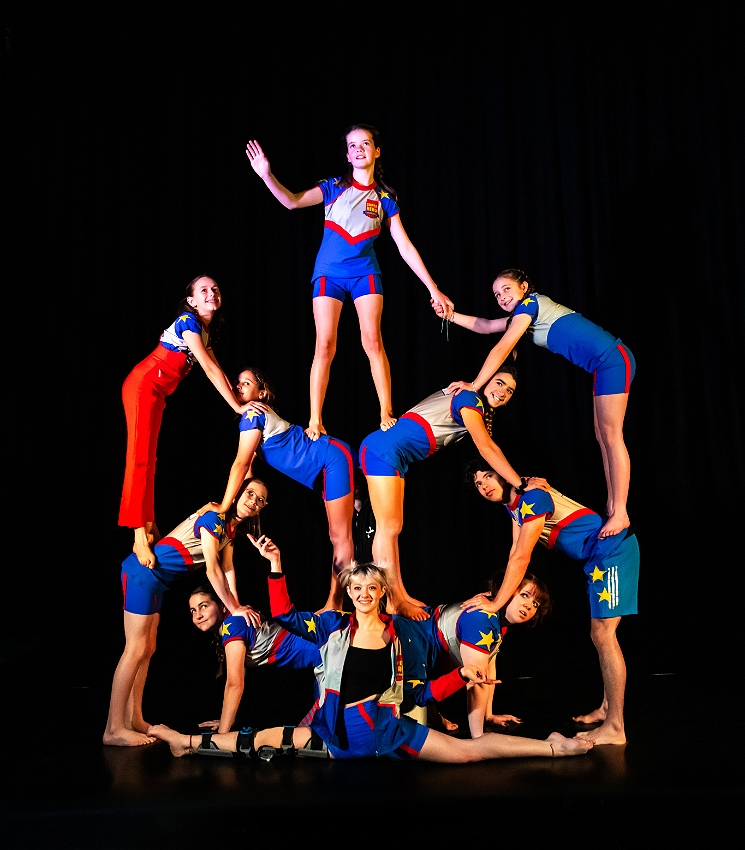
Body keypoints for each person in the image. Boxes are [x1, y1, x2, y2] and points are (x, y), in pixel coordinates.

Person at [148, 541, 592, 762]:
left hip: (388, 735)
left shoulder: (400, 638)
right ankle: (183, 740)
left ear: (382, 593)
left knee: (469, 753)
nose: (362, 593)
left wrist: (462, 678)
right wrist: (276, 567)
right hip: (331, 736)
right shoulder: (332, 627)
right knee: (258, 739)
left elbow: (417, 696)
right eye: (355, 587)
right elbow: (282, 613)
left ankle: (554, 748)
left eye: (370, 588)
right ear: (350, 592)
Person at [245, 126, 453, 439]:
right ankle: (315, 418)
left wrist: (433, 288)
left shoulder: (385, 198)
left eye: (365, 144)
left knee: (372, 340)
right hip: (328, 274)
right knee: (325, 344)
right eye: (352, 146)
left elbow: (405, 247)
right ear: (346, 154)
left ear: (376, 151)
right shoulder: (333, 187)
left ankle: (386, 411)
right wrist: (266, 175)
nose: (358, 150)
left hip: (365, 274)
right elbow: (291, 202)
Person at [438, 269, 635, 538]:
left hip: (613, 359)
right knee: (603, 436)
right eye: (497, 294)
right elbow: (484, 325)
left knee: (612, 436)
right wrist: (450, 315)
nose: (501, 297)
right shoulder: (522, 316)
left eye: (507, 289)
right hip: (603, 366)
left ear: (525, 287)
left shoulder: (531, 304)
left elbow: (503, 346)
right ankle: (613, 506)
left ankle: (621, 512)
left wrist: (474, 385)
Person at [461, 458, 640, 745]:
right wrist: (493, 597)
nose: (483, 486)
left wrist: (496, 607)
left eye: (488, 476)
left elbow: (522, 557)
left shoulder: (532, 497)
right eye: (478, 484)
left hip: (613, 551)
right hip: (597, 560)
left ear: (505, 473)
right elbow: (512, 556)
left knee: (603, 634)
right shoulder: (516, 507)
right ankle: (608, 708)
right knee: (601, 635)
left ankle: (616, 727)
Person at [358, 362, 548, 619]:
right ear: (485, 380)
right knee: (388, 528)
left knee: (392, 528)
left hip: (393, 455)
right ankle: (393, 600)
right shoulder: (470, 399)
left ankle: (398, 595)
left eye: (510, 391)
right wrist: (521, 484)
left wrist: (519, 480)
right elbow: (486, 448)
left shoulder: (473, 403)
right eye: (499, 383)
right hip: (384, 451)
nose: (503, 392)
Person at [102, 479, 267, 747]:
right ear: (237, 494)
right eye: (250, 493)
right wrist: (235, 607)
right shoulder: (214, 518)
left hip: (157, 582)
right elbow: (212, 569)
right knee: (135, 648)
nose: (254, 501)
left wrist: (235, 608)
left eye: (260, 500)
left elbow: (228, 570)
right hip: (143, 574)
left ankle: (135, 719)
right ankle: (113, 727)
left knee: (147, 647)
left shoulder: (230, 532)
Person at [119, 275, 254, 568]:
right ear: (192, 301)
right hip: (143, 386)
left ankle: (147, 520)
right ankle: (138, 533)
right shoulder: (187, 321)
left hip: (155, 393)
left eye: (215, 289)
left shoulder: (204, 333)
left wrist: (241, 402)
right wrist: (238, 407)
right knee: (139, 460)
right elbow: (207, 368)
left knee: (149, 461)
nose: (211, 293)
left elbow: (218, 370)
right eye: (203, 290)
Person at [211, 367, 355, 612]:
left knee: (340, 536)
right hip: (325, 468)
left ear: (262, 393)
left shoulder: (253, 414)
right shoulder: (251, 418)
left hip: (332, 459)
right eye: (237, 382)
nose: (238, 386)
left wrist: (224, 506)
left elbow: (241, 463)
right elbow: (248, 475)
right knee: (349, 532)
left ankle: (336, 603)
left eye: (246, 383)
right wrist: (237, 512)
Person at [395, 573, 551, 738]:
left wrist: (488, 715)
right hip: (410, 638)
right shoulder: (483, 619)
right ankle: (432, 714)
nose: (529, 606)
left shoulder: (499, 621)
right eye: (524, 595)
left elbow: (489, 665)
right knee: (417, 696)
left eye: (535, 603)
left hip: (428, 651)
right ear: (505, 589)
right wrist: (478, 736)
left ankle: (432, 714)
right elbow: (476, 680)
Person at [188, 581, 321, 734]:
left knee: (312, 732)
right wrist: (227, 721)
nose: (198, 615)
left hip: (327, 653)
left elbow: (234, 684)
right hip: (322, 659)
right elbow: (238, 682)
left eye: (203, 606)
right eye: (193, 610)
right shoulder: (231, 625)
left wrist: (221, 735)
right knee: (310, 731)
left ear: (223, 605)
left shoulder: (233, 625)